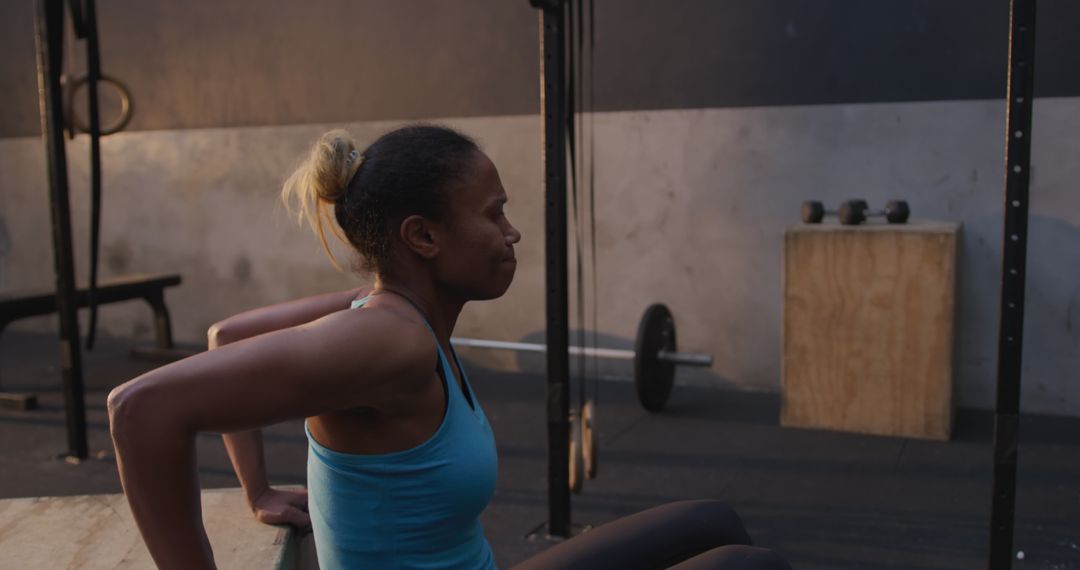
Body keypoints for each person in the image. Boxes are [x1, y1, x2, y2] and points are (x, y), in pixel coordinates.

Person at [108, 124, 790, 569]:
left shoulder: (390, 313)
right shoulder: (390, 341)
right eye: (494, 214)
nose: (512, 233)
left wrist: (256, 489)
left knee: (713, 521)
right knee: (745, 567)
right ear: (423, 238)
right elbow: (141, 409)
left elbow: (230, 336)